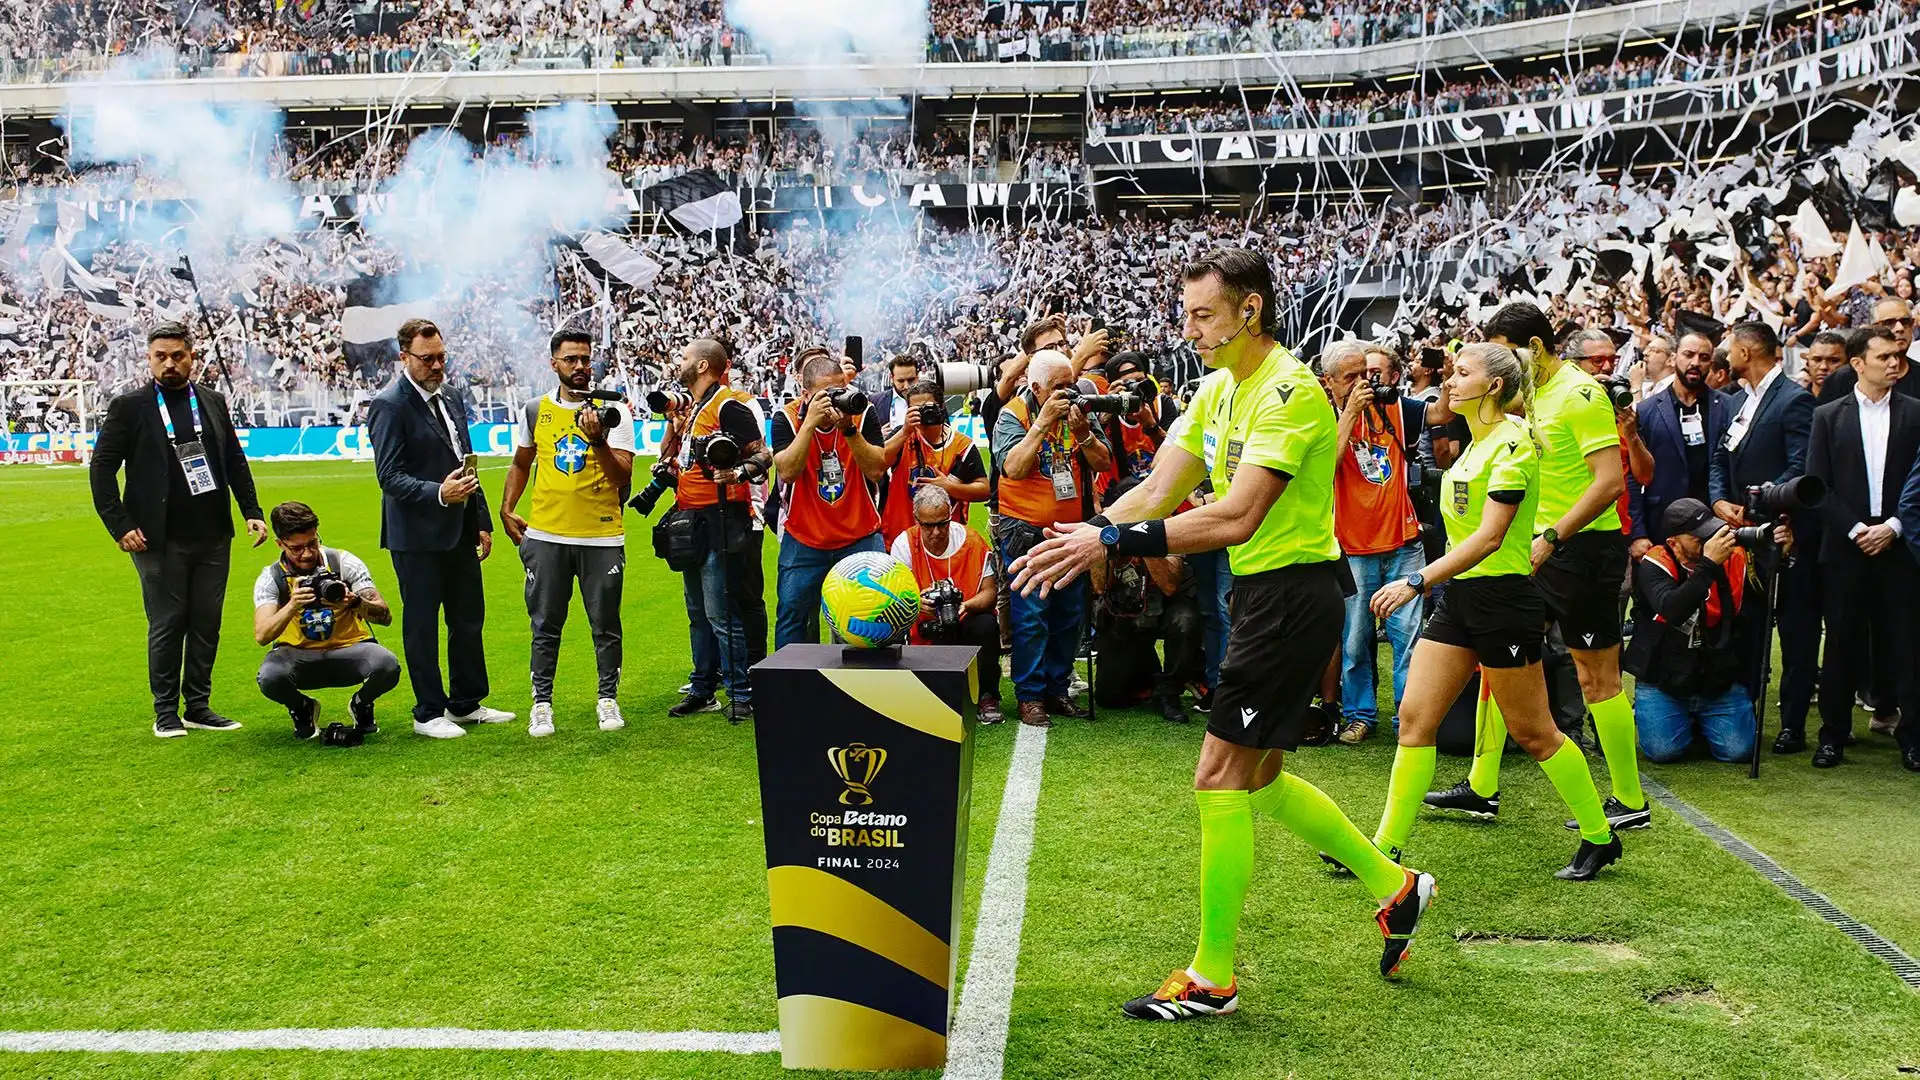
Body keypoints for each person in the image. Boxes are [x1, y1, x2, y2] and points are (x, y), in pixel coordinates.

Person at [1012, 248, 1434, 1020]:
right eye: (1186, 315)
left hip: (1293, 599)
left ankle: (1213, 979)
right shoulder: (1215, 388)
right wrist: (1093, 529)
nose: (1191, 330)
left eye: (1204, 315)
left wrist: (1109, 545)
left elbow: (1238, 515)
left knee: (1217, 776)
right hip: (1264, 597)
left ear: (1251, 310)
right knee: (1258, 779)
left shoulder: (1292, 392)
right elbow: (1160, 485)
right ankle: (1396, 886)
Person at [1367, 343, 1622, 879]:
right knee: (1415, 719)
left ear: (1494, 387)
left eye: (1462, 374)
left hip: (1503, 602)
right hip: (1462, 599)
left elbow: (1489, 539)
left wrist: (1416, 580)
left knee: (1535, 733)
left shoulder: (1515, 444)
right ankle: (1383, 848)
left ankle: (1600, 836)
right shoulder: (1471, 446)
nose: (1449, 382)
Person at [1429, 303, 1644, 831]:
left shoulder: (1580, 393)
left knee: (1598, 677)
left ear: (1537, 348)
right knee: (1500, 659)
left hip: (1583, 551)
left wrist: (1552, 535)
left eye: (1508, 352)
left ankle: (1629, 799)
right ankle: (1481, 786)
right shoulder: (1532, 396)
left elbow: (1609, 482)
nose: (1500, 363)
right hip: (1538, 550)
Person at [90, 322, 268, 738]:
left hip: (212, 534)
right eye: (161, 356)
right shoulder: (129, 407)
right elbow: (101, 469)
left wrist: (251, 510)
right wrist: (121, 525)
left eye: (177, 355)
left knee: (207, 622)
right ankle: (166, 712)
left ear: (192, 356)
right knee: (169, 622)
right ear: (149, 359)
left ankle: (199, 706)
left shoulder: (211, 400)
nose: (169, 363)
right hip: (157, 537)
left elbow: (234, 461)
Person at [365, 318, 512, 739]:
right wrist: (439, 494)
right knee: (423, 624)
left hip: (458, 530)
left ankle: (466, 703)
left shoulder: (450, 396)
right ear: (404, 358)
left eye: (441, 357)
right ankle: (427, 712)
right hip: (415, 537)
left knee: (468, 618)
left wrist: (479, 520)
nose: (436, 366)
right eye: (427, 359)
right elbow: (389, 476)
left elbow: (467, 462)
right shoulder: (389, 404)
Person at [498, 329, 636, 737]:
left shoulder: (615, 412)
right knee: (544, 625)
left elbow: (622, 477)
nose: (580, 367)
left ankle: (607, 698)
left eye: (585, 359)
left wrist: (597, 441)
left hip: (601, 536)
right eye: (571, 359)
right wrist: (507, 508)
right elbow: (521, 463)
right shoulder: (533, 410)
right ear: (553, 363)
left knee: (605, 624)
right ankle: (541, 703)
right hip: (547, 536)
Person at [1803, 326, 1920, 768]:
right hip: (1845, 548)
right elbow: (1817, 485)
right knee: (1841, 645)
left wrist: (1893, 526)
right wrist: (1855, 530)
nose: (1895, 363)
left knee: (1906, 643)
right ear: (1858, 363)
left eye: (1897, 356)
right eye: (1884, 357)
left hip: (1901, 545)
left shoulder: (1916, 413)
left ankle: (1911, 736)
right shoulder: (1828, 416)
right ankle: (1833, 733)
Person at [1713, 321, 1820, 752]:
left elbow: (1801, 467)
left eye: (1729, 347)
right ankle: (1744, 714)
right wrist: (1720, 500)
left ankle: (1792, 723)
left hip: (1783, 533)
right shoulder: (1740, 401)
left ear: (1747, 352)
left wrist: (1760, 504)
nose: (1724, 353)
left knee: (1795, 632)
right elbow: (1721, 457)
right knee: (1749, 628)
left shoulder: (1794, 401)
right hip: (1743, 534)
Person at [1318, 341, 1431, 745]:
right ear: (1327, 381)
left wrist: (1441, 372)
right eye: (1350, 377)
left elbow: (1445, 413)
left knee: (1409, 641)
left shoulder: (1398, 408)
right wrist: (1349, 412)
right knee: (1354, 641)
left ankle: (1409, 720)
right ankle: (1360, 715)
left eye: (1366, 375)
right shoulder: (1323, 415)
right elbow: (1323, 467)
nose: (1361, 384)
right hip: (1353, 547)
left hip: (1403, 542)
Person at [993, 348, 1113, 727]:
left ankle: (1057, 689)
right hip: (1024, 529)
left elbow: (1103, 462)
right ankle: (1030, 695)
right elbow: (1012, 467)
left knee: (1068, 614)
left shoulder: (1079, 412)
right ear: (1036, 388)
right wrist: (1042, 425)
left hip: (1069, 531)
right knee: (1031, 617)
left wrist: (1082, 434)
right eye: (1059, 387)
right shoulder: (1013, 414)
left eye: (1070, 384)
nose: (1068, 393)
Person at [660, 338, 769, 723]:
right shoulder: (692, 409)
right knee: (698, 612)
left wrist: (737, 472)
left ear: (704, 365)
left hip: (721, 518)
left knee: (721, 612)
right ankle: (703, 687)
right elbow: (676, 458)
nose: (679, 361)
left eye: (685, 357)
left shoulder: (728, 405)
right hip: (691, 518)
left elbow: (762, 454)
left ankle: (741, 694)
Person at [251, 501, 400, 739]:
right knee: (270, 677)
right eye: (297, 548)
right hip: (298, 657)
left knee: (387, 665)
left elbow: (385, 616)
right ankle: (302, 708)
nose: (308, 553)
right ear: (280, 543)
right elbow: (262, 635)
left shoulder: (343, 563)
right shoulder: (272, 577)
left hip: (351, 650)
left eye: (312, 543)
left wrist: (354, 602)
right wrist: (292, 605)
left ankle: (361, 703)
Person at [772, 348, 890, 649]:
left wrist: (848, 429)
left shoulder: (862, 414)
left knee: (873, 616)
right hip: (805, 537)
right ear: (806, 393)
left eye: (841, 388)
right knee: (792, 616)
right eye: (827, 392)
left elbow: (877, 469)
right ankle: (791, 690)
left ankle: (866, 688)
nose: (837, 397)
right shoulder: (786, 417)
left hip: (860, 534)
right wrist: (809, 423)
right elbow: (787, 471)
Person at [1625, 499, 1757, 764]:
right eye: (1698, 537)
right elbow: (1674, 610)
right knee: (1663, 752)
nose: (1708, 540)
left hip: (1717, 677)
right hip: (1663, 678)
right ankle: (1672, 717)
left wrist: (1783, 553)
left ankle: (1700, 722)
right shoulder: (1656, 562)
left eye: (1711, 531)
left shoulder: (1734, 558)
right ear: (1673, 542)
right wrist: (1708, 564)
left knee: (1738, 751)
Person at [1090, 477, 1201, 725]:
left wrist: (1142, 538)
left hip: (1167, 605)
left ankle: (1169, 690)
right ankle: (1147, 674)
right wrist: (1101, 542)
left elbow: (1170, 586)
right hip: (1125, 608)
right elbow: (1098, 587)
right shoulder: (1108, 532)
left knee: (1185, 621)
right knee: (1110, 698)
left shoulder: (1169, 528)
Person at [889, 485, 1003, 723]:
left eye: (943, 523)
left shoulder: (973, 542)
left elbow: (990, 593)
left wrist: (967, 606)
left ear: (951, 515)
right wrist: (917, 604)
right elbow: (896, 596)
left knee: (986, 624)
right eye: (928, 525)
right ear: (917, 520)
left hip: (966, 621)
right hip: (927, 628)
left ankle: (987, 695)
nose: (937, 532)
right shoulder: (904, 545)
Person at [1628, 327, 1731, 559]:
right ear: (1674, 358)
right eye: (1689, 355)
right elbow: (1634, 477)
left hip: (1713, 524)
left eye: (1704, 358)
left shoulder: (1726, 407)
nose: (1695, 362)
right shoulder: (1647, 410)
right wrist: (1638, 533)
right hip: (1660, 525)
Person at [879, 380, 988, 546]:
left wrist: (949, 487)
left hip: (944, 539)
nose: (923, 413)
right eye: (917, 409)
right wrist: (904, 431)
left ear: (942, 406)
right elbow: (878, 465)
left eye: (928, 407)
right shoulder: (902, 436)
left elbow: (985, 490)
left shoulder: (962, 445)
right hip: (901, 539)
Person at [1796, 330, 1848, 399]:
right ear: (1807, 363)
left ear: (1848, 363)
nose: (1823, 367)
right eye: (1817, 360)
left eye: (1833, 361)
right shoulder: (1795, 401)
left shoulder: (1858, 401)